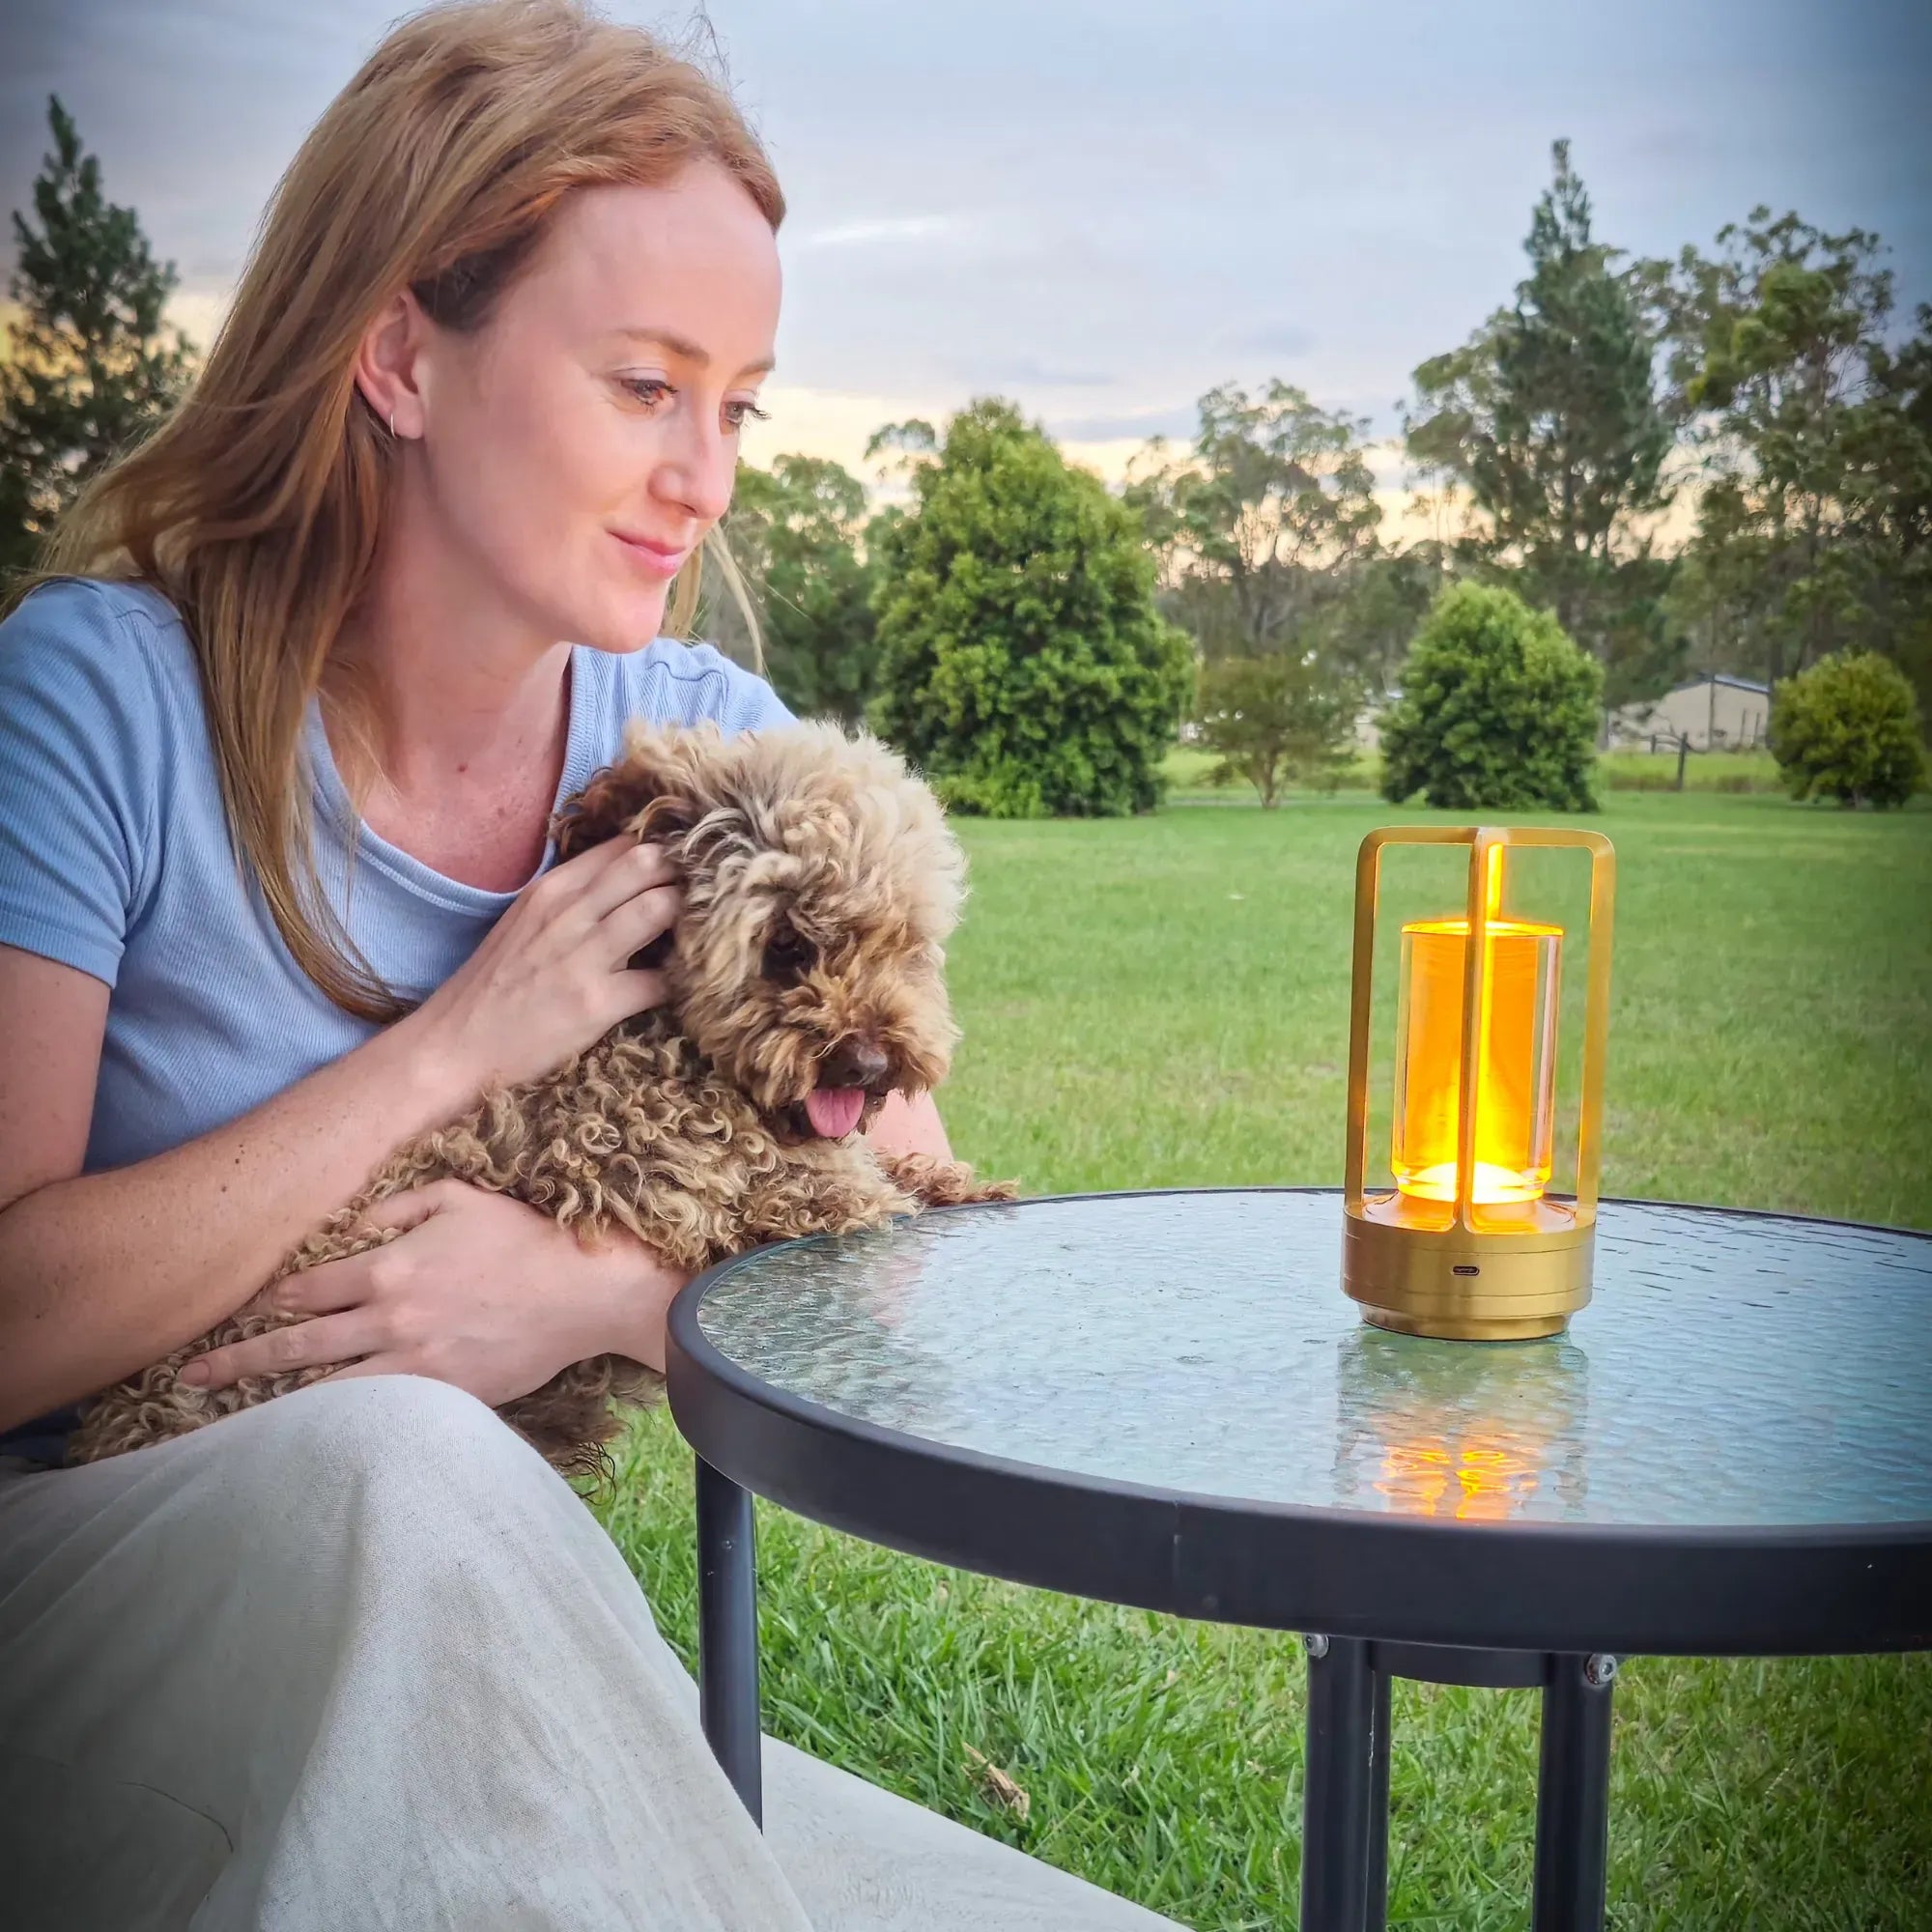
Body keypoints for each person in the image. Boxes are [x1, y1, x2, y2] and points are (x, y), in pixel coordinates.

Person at [0, 5, 1177, 1927]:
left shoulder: (719, 746)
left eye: (740, 404)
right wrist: (449, 1044)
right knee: (396, 1461)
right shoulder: (96, 698)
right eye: (645, 385)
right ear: (398, 351)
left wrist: (570, 1293)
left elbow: (884, 1256)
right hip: (89, 1607)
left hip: (459, 1635)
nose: (705, 476)